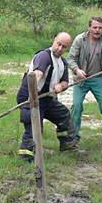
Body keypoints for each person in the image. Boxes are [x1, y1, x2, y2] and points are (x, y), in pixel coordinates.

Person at [16, 32, 78, 160]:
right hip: (30, 96)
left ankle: (67, 145)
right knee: (35, 126)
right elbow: (37, 75)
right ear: (54, 41)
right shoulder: (44, 56)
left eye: (64, 46)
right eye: (58, 44)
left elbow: (65, 81)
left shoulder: (63, 62)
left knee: (64, 115)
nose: (60, 48)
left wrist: (60, 86)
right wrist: (32, 97)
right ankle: (26, 156)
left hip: (47, 99)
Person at [67, 17, 102, 148]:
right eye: (94, 27)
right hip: (82, 78)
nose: (97, 30)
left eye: (100, 28)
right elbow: (70, 59)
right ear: (89, 28)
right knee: (76, 106)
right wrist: (77, 70)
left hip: (99, 78)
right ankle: (74, 137)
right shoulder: (80, 39)